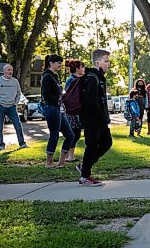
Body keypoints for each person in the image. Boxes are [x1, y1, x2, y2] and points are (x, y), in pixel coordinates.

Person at [77, 49, 112, 186]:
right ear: (98, 62)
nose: (108, 64)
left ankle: (85, 165)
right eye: (106, 61)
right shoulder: (91, 77)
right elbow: (91, 101)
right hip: (92, 119)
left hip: (100, 119)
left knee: (106, 143)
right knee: (91, 146)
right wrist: (99, 116)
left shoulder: (98, 77)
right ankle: (84, 176)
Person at [41, 54, 74, 168]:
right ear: (51, 63)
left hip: (59, 109)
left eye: (61, 62)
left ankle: (61, 162)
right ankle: (48, 162)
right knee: (54, 135)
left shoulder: (55, 77)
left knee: (70, 135)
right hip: (51, 108)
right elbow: (46, 94)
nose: (60, 64)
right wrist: (57, 101)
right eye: (58, 62)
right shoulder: (47, 77)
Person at [0, 64, 28, 150]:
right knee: (0, 126)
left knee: (18, 125)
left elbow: (18, 93)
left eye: (11, 70)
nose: (10, 72)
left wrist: (15, 104)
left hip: (12, 107)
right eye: (8, 70)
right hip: (0, 107)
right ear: (4, 71)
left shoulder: (15, 81)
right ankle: (0, 145)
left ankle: (22, 143)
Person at [64, 59, 86, 162]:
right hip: (72, 111)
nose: (83, 69)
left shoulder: (78, 79)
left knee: (76, 133)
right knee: (74, 133)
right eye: (82, 67)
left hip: (77, 110)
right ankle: (69, 156)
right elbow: (71, 96)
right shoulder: (72, 79)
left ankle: (69, 155)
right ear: (77, 69)